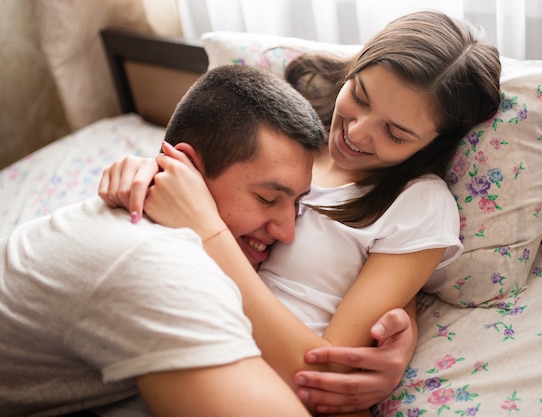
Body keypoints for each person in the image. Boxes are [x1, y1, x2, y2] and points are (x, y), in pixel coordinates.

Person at [100, 10, 502, 417]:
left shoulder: (418, 204)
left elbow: (326, 370)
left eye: (395, 133)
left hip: (268, 382)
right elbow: (199, 169)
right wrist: (148, 169)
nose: (358, 132)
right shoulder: (289, 134)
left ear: (433, 143)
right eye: (359, 96)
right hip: (172, 338)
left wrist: (208, 232)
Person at [0, 64, 332, 417]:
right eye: (267, 198)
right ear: (183, 167)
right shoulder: (152, 262)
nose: (287, 231)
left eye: (296, 203)